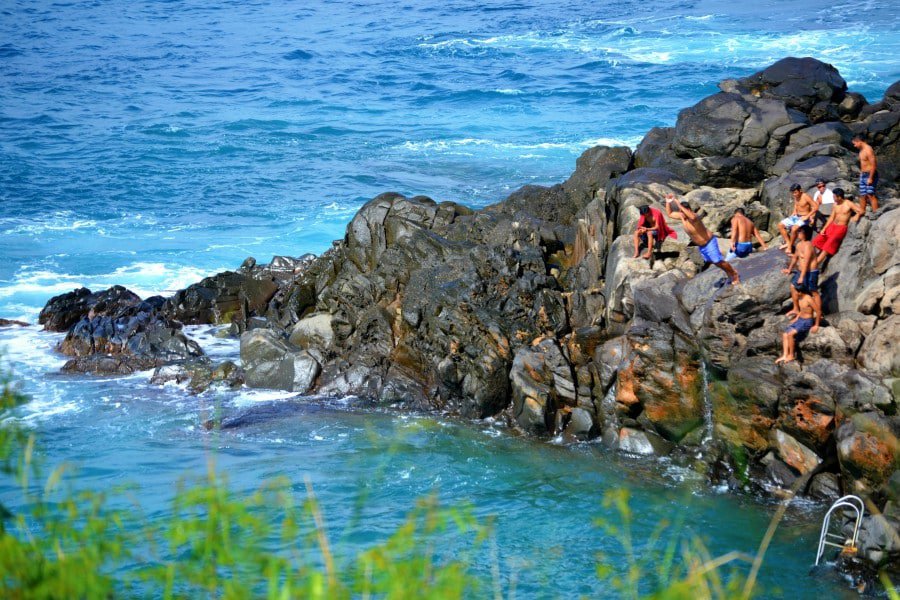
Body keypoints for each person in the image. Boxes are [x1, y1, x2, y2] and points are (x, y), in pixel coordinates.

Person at [664, 193, 740, 285]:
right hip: (702, 246)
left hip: (709, 242)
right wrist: (668, 201)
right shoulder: (683, 217)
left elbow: (691, 216)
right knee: (714, 262)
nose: (681, 214)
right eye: (680, 212)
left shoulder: (694, 217)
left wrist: (676, 201)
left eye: (682, 211)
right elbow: (670, 213)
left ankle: (734, 273)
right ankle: (729, 272)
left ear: (688, 210)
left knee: (718, 260)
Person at [812, 187, 863, 271]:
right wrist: (824, 228)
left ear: (839, 197)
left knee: (828, 244)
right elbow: (832, 217)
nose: (833, 198)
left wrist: (857, 216)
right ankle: (810, 259)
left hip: (841, 228)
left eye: (834, 196)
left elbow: (861, 210)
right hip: (832, 226)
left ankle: (816, 264)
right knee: (817, 240)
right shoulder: (835, 204)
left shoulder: (848, 203)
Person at [782, 225, 820, 318]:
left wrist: (802, 277)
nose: (798, 233)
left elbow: (806, 262)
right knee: (793, 287)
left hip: (810, 272)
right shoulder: (799, 244)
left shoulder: (808, 246)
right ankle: (796, 309)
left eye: (800, 232)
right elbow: (795, 258)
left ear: (805, 234)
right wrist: (789, 269)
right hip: (801, 271)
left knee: (813, 292)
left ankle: (819, 312)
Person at [775, 287, 820, 365]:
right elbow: (802, 310)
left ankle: (791, 355)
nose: (794, 294)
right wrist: (796, 318)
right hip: (800, 320)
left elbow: (818, 311)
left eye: (796, 292)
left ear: (800, 292)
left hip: (807, 322)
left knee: (790, 334)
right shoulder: (800, 298)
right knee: (785, 334)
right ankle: (785, 355)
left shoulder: (808, 299)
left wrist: (816, 325)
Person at [777, 183, 817, 253]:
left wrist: (808, 216)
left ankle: (790, 247)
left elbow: (816, 206)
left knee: (794, 228)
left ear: (800, 190)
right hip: (796, 216)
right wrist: (794, 212)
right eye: (793, 193)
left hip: (804, 218)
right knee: (780, 225)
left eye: (795, 192)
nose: (794, 194)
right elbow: (796, 204)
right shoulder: (796, 196)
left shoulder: (806, 196)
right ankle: (788, 243)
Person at [852, 134, 879, 214]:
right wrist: (861, 173)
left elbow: (874, 165)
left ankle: (876, 213)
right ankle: (862, 212)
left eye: (854, 143)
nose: (854, 145)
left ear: (859, 141)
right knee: (863, 195)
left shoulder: (868, 150)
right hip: (863, 175)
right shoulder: (861, 150)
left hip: (870, 175)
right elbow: (863, 163)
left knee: (870, 195)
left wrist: (870, 178)